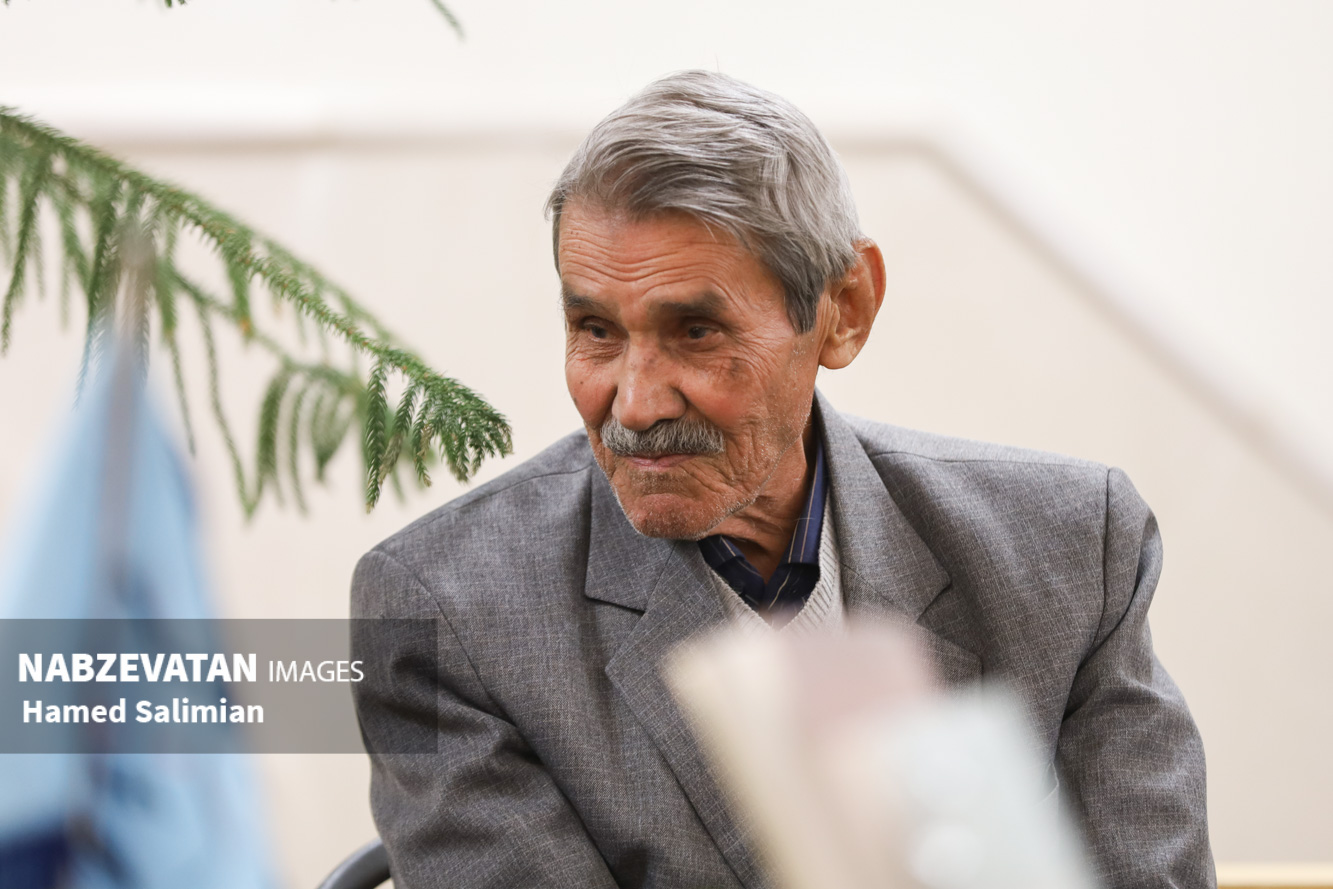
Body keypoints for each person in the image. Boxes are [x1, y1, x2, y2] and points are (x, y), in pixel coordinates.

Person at [350, 70, 1213, 889]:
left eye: (696, 332)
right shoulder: (443, 609)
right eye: (595, 330)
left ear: (845, 311)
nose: (636, 403)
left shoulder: (1072, 549)